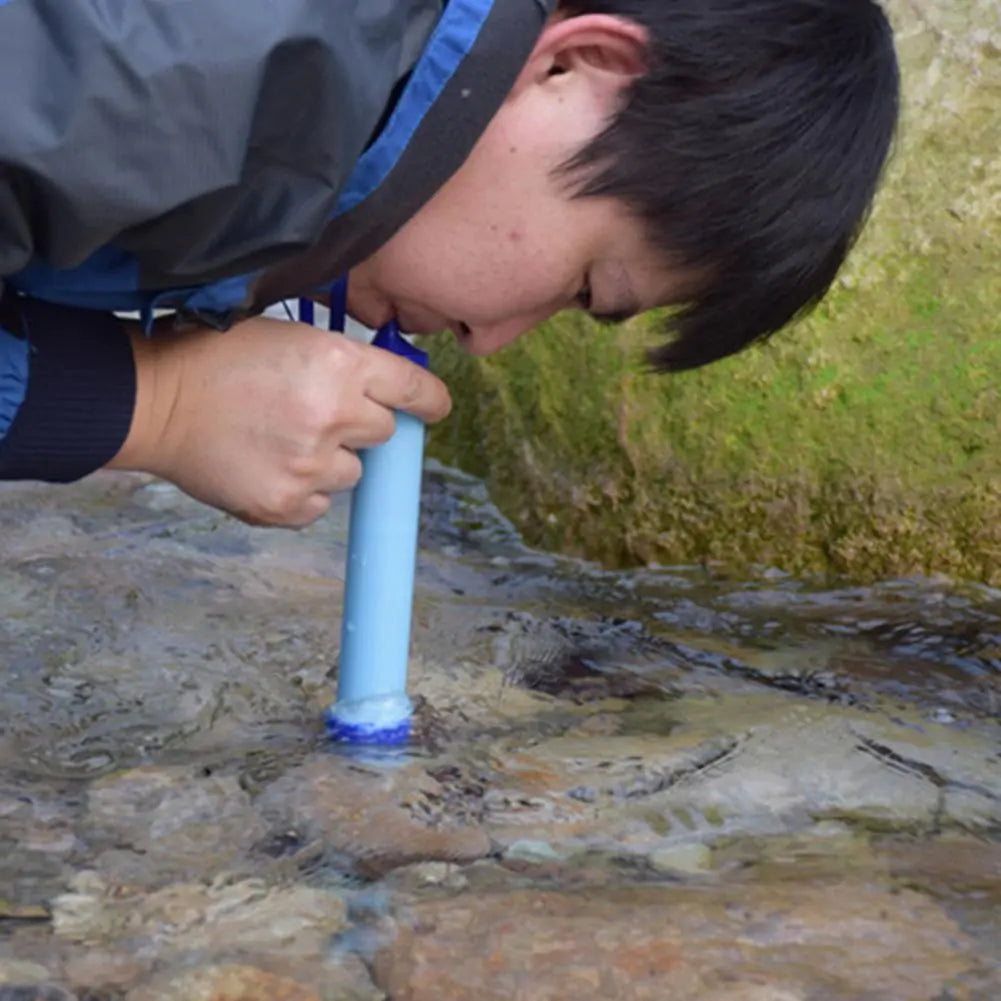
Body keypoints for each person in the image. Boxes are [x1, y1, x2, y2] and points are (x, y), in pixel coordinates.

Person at [0, 0, 899, 527]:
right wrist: (155, 405)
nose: (489, 342)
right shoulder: (191, 67)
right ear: (579, 65)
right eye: (583, 287)